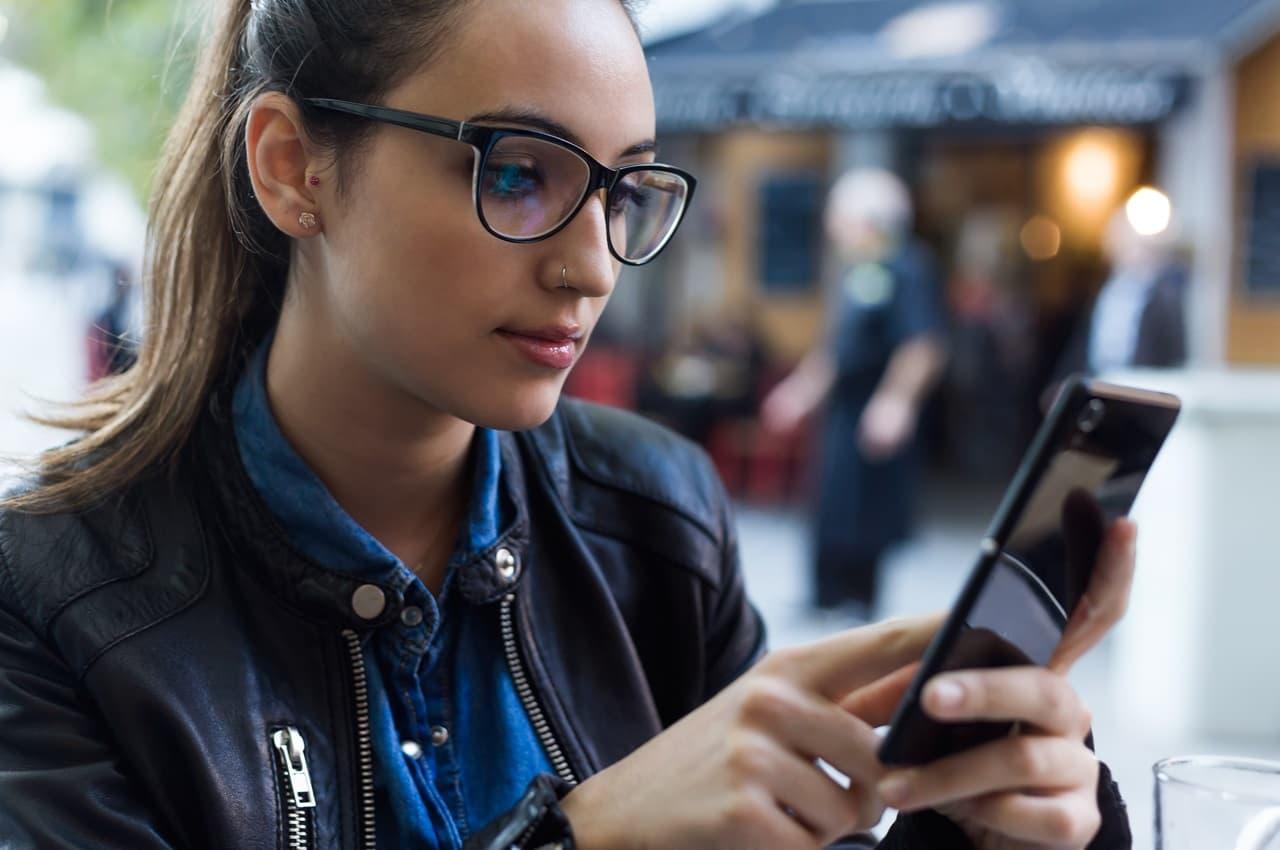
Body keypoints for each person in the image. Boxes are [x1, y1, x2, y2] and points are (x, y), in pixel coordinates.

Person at [0, 3, 1132, 849]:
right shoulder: (53, 595)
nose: (591, 264)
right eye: (518, 172)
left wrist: (982, 810)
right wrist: (588, 834)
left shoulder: (657, 517)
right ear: (293, 168)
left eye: (621, 190)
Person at [763, 169, 948, 615]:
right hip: (843, 408)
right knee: (831, 501)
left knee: (870, 508)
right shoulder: (853, 267)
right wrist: (800, 392)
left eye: (839, 216)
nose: (831, 226)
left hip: (875, 403)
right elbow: (837, 347)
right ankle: (826, 594)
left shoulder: (907, 265)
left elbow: (922, 343)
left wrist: (896, 401)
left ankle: (860, 599)